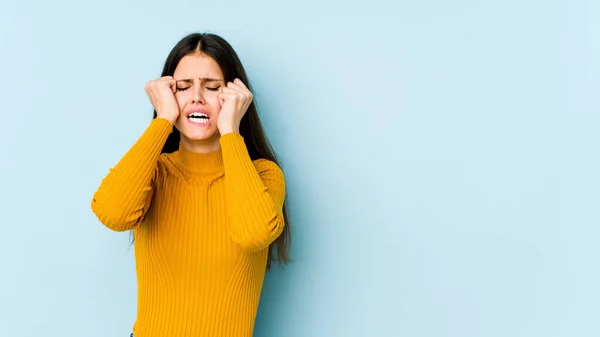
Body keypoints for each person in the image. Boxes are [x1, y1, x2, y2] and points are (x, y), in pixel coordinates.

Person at [90, 32, 291, 337]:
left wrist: (230, 131)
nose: (197, 96)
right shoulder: (153, 173)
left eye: (212, 87)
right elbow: (111, 212)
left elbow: (254, 233)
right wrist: (163, 120)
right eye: (183, 87)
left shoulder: (264, 176)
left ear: (235, 97)